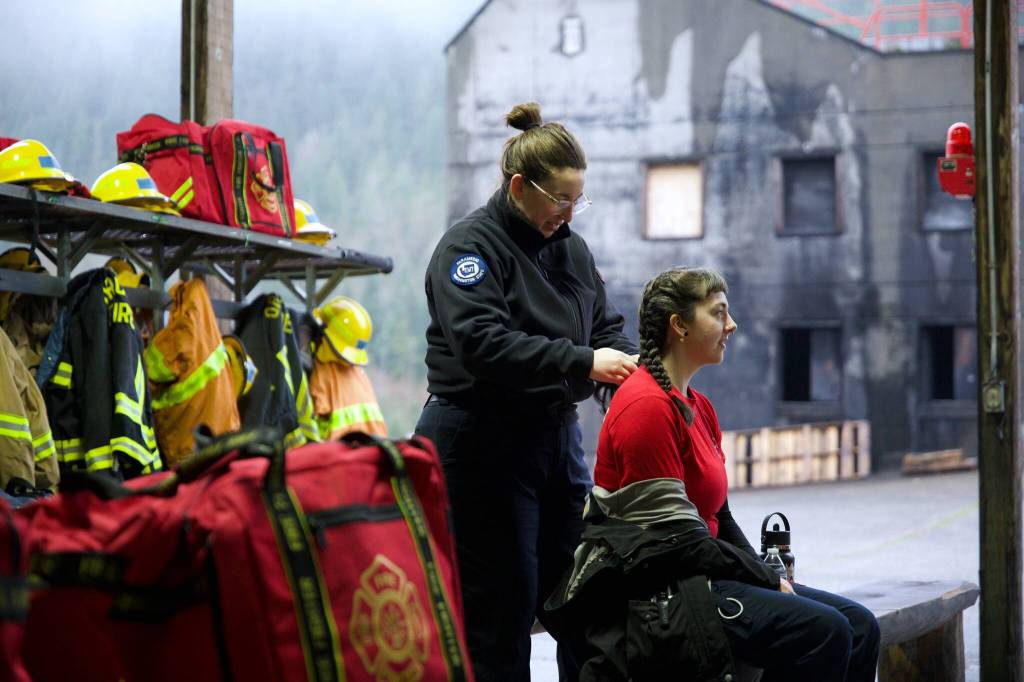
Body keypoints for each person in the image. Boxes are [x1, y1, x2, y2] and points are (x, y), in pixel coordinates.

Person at [547, 266, 880, 681]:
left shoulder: (698, 406)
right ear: (679, 325)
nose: (732, 324)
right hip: (659, 586)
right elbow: (675, 541)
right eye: (719, 313)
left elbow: (720, 518)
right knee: (825, 631)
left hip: (700, 569)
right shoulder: (645, 406)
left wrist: (768, 575)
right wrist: (763, 577)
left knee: (861, 626)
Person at [415, 101, 638, 681]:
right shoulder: (470, 249)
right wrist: (585, 362)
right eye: (559, 199)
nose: (567, 214)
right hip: (479, 442)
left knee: (586, 595)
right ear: (519, 186)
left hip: (555, 440)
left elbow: (604, 327)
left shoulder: (571, 248)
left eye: (577, 200)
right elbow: (483, 345)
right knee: (500, 609)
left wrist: (633, 371)